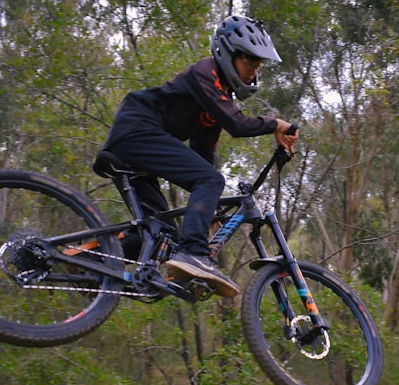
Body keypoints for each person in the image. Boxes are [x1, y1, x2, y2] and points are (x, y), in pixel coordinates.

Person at [99, 15, 298, 297]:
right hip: (137, 130)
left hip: (135, 145)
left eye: (258, 66)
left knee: (161, 235)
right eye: (250, 63)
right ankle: (194, 254)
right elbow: (238, 126)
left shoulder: (216, 100)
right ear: (229, 55)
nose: (253, 73)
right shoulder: (205, 73)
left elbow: (202, 153)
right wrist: (276, 123)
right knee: (209, 182)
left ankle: (88, 261)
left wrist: (211, 209)